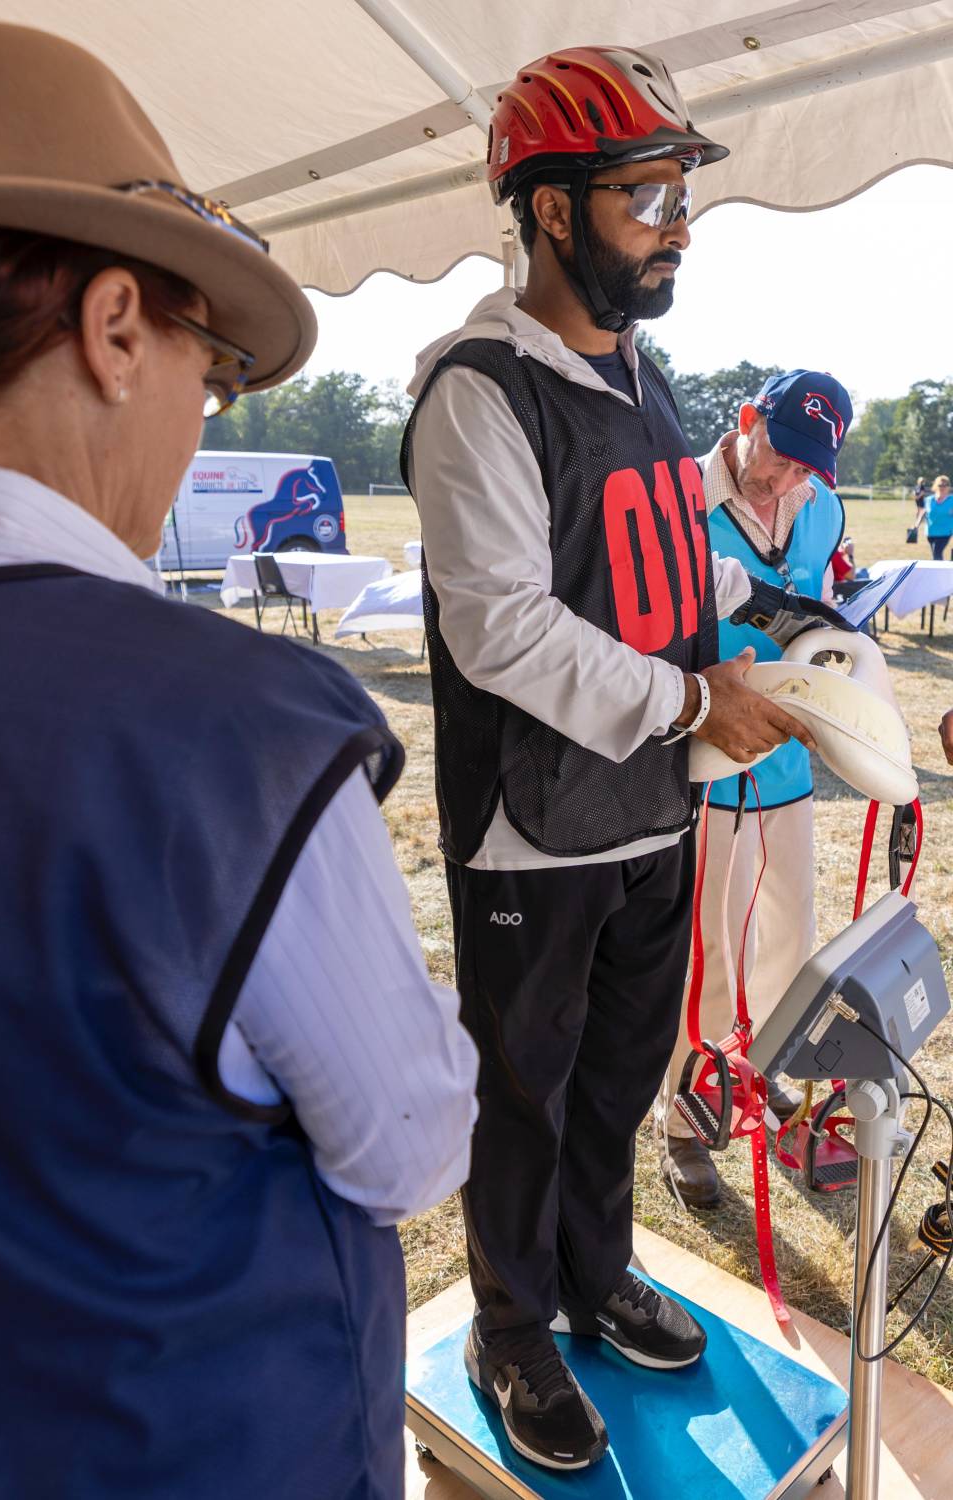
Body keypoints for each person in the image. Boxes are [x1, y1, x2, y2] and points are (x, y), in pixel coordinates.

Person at [0, 22, 478, 1500]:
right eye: (210, 380)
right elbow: (409, 1145)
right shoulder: (231, 732)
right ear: (115, 327)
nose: (198, 424)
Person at [402, 43, 844, 1474]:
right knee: (522, 1097)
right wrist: (687, 703)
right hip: (536, 828)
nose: (678, 224)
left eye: (677, 193)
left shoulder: (645, 375)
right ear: (547, 210)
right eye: (648, 193)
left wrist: (767, 658)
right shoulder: (479, 387)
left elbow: (671, 579)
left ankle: (597, 1277)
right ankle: (513, 1330)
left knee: (617, 1080)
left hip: (656, 809)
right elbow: (500, 633)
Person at [655, 371, 853, 1208]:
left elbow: (825, 606)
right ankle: (684, 1117)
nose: (788, 483)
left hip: (789, 767)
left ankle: (763, 1074)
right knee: (702, 952)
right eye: (780, 460)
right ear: (745, 422)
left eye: (811, 468)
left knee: (789, 940)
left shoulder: (823, 508)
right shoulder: (676, 499)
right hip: (703, 760)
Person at [924, 474, 953, 558]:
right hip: (931, 532)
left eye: (945, 485)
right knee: (935, 554)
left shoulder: (951, 500)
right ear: (936, 486)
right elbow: (924, 513)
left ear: (948, 487)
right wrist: (917, 524)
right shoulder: (929, 500)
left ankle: (939, 570)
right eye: (940, 485)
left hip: (945, 532)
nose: (942, 487)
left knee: (937, 552)